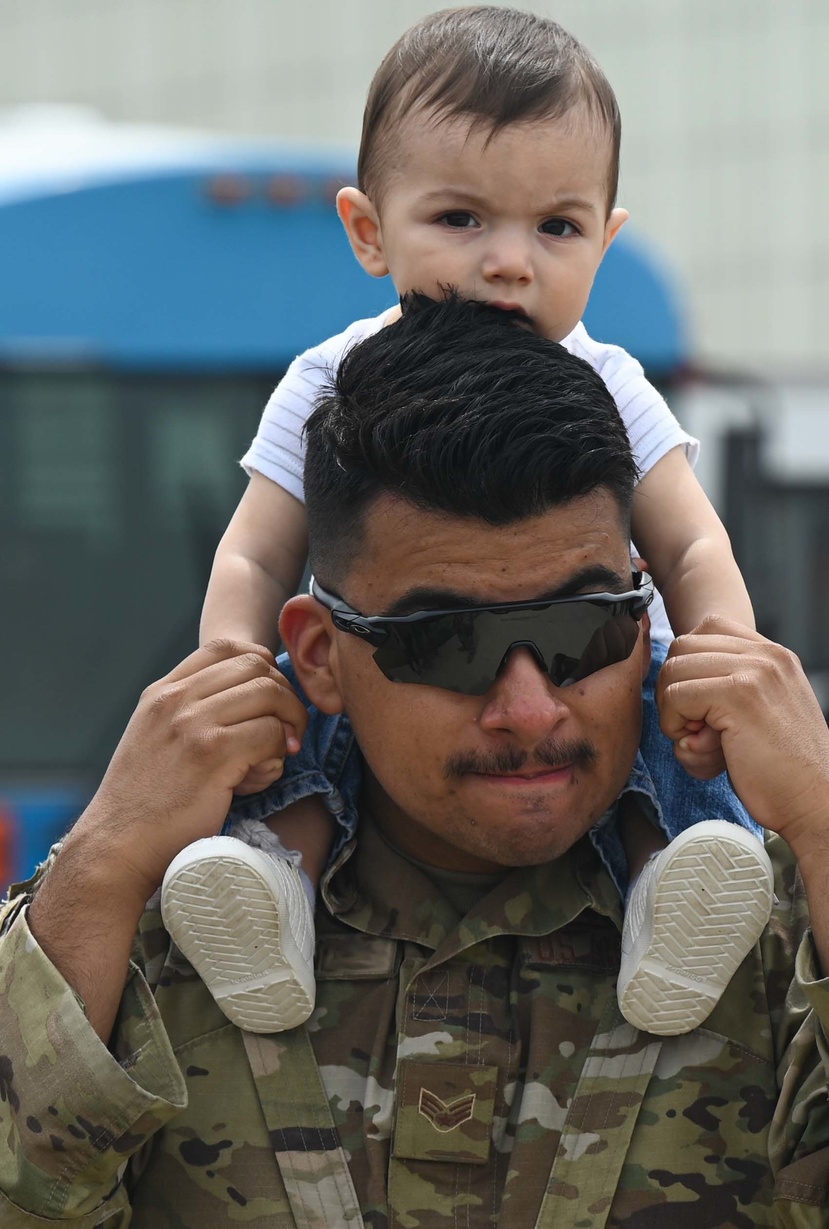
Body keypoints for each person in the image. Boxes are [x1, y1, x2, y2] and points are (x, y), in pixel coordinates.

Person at [2, 296, 829, 1227]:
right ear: (319, 655)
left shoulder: (781, 938)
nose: (528, 707)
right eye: (448, 641)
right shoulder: (169, 938)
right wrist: (99, 864)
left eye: (581, 631)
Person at [171, 3, 774, 1041]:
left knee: (662, 728)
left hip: (612, 665)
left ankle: (670, 887)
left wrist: (720, 643)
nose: (509, 262)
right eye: (460, 220)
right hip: (378, 666)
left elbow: (688, 542)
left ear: (605, 233)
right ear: (368, 230)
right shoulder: (328, 381)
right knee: (299, 719)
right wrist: (227, 655)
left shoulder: (609, 382)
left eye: (556, 226)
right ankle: (272, 887)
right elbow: (256, 545)